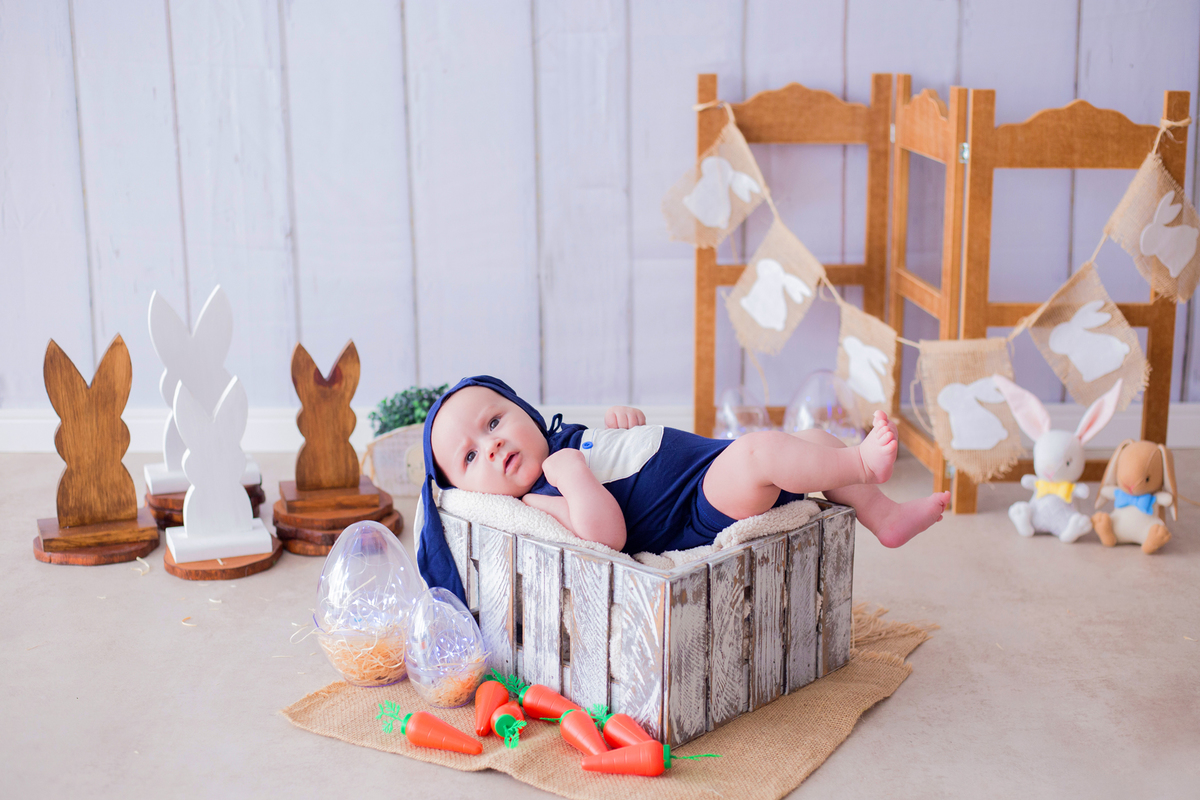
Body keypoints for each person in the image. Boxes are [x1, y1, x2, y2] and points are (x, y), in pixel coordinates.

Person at [417, 375, 949, 604]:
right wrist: (574, 476)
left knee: (811, 439)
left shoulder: (564, 442)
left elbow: (628, 461)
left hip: (704, 468)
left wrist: (624, 428)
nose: (490, 446)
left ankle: (885, 517)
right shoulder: (539, 496)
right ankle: (862, 463)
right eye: (469, 457)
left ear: (523, 411)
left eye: (494, 422)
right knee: (759, 451)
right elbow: (604, 534)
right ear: (467, 491)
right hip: (695, 510)